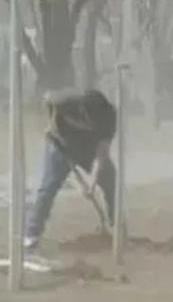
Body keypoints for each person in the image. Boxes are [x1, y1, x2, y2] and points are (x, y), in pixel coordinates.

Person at [24, 88, 117, 251]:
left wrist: (91, 182)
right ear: (81, 110)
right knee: (48, 187)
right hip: (59, 145)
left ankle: (115, 224)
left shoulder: (109, 116)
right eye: (88, 121)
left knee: (110, 178)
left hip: (88, 148)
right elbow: (46, 98)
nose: (91, 125)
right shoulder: (65, 100)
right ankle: (32, 234)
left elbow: (102, 153)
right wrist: (51, 125)